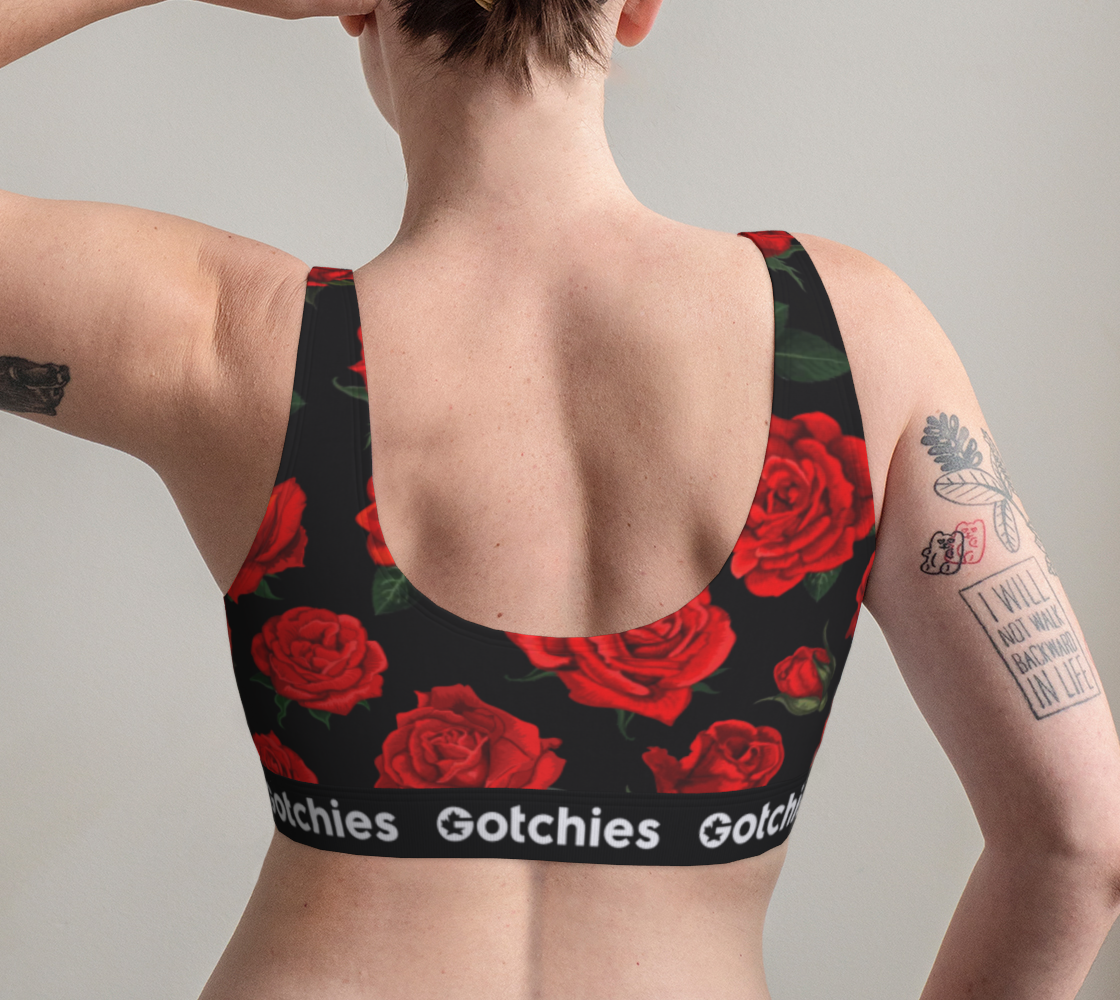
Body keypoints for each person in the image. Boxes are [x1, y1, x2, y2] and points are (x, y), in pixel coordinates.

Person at [3, 0, 1119, 997]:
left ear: (358, 14)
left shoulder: (240, 347)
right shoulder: (846, 347)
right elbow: (1080, 843)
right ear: (636, 8)